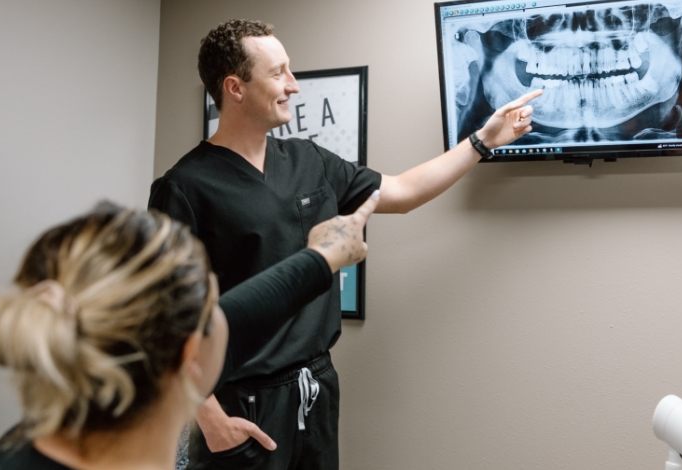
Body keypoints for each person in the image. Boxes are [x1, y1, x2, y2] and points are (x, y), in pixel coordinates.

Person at [148, 19, 542, 470]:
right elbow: (164, 323)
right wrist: (213, 421)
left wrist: (481, 141)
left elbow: (402, 192)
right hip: (241, 402)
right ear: (235, 88)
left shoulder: (307, 159)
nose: (293, 85)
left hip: (316, 391)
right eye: (278, 73)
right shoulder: (184, 187)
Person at [0, 196, 377, 470]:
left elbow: (253, 307)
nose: (226, 318)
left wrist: (324, 256)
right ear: (191, 355)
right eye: (213, 311)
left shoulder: (16, 453)